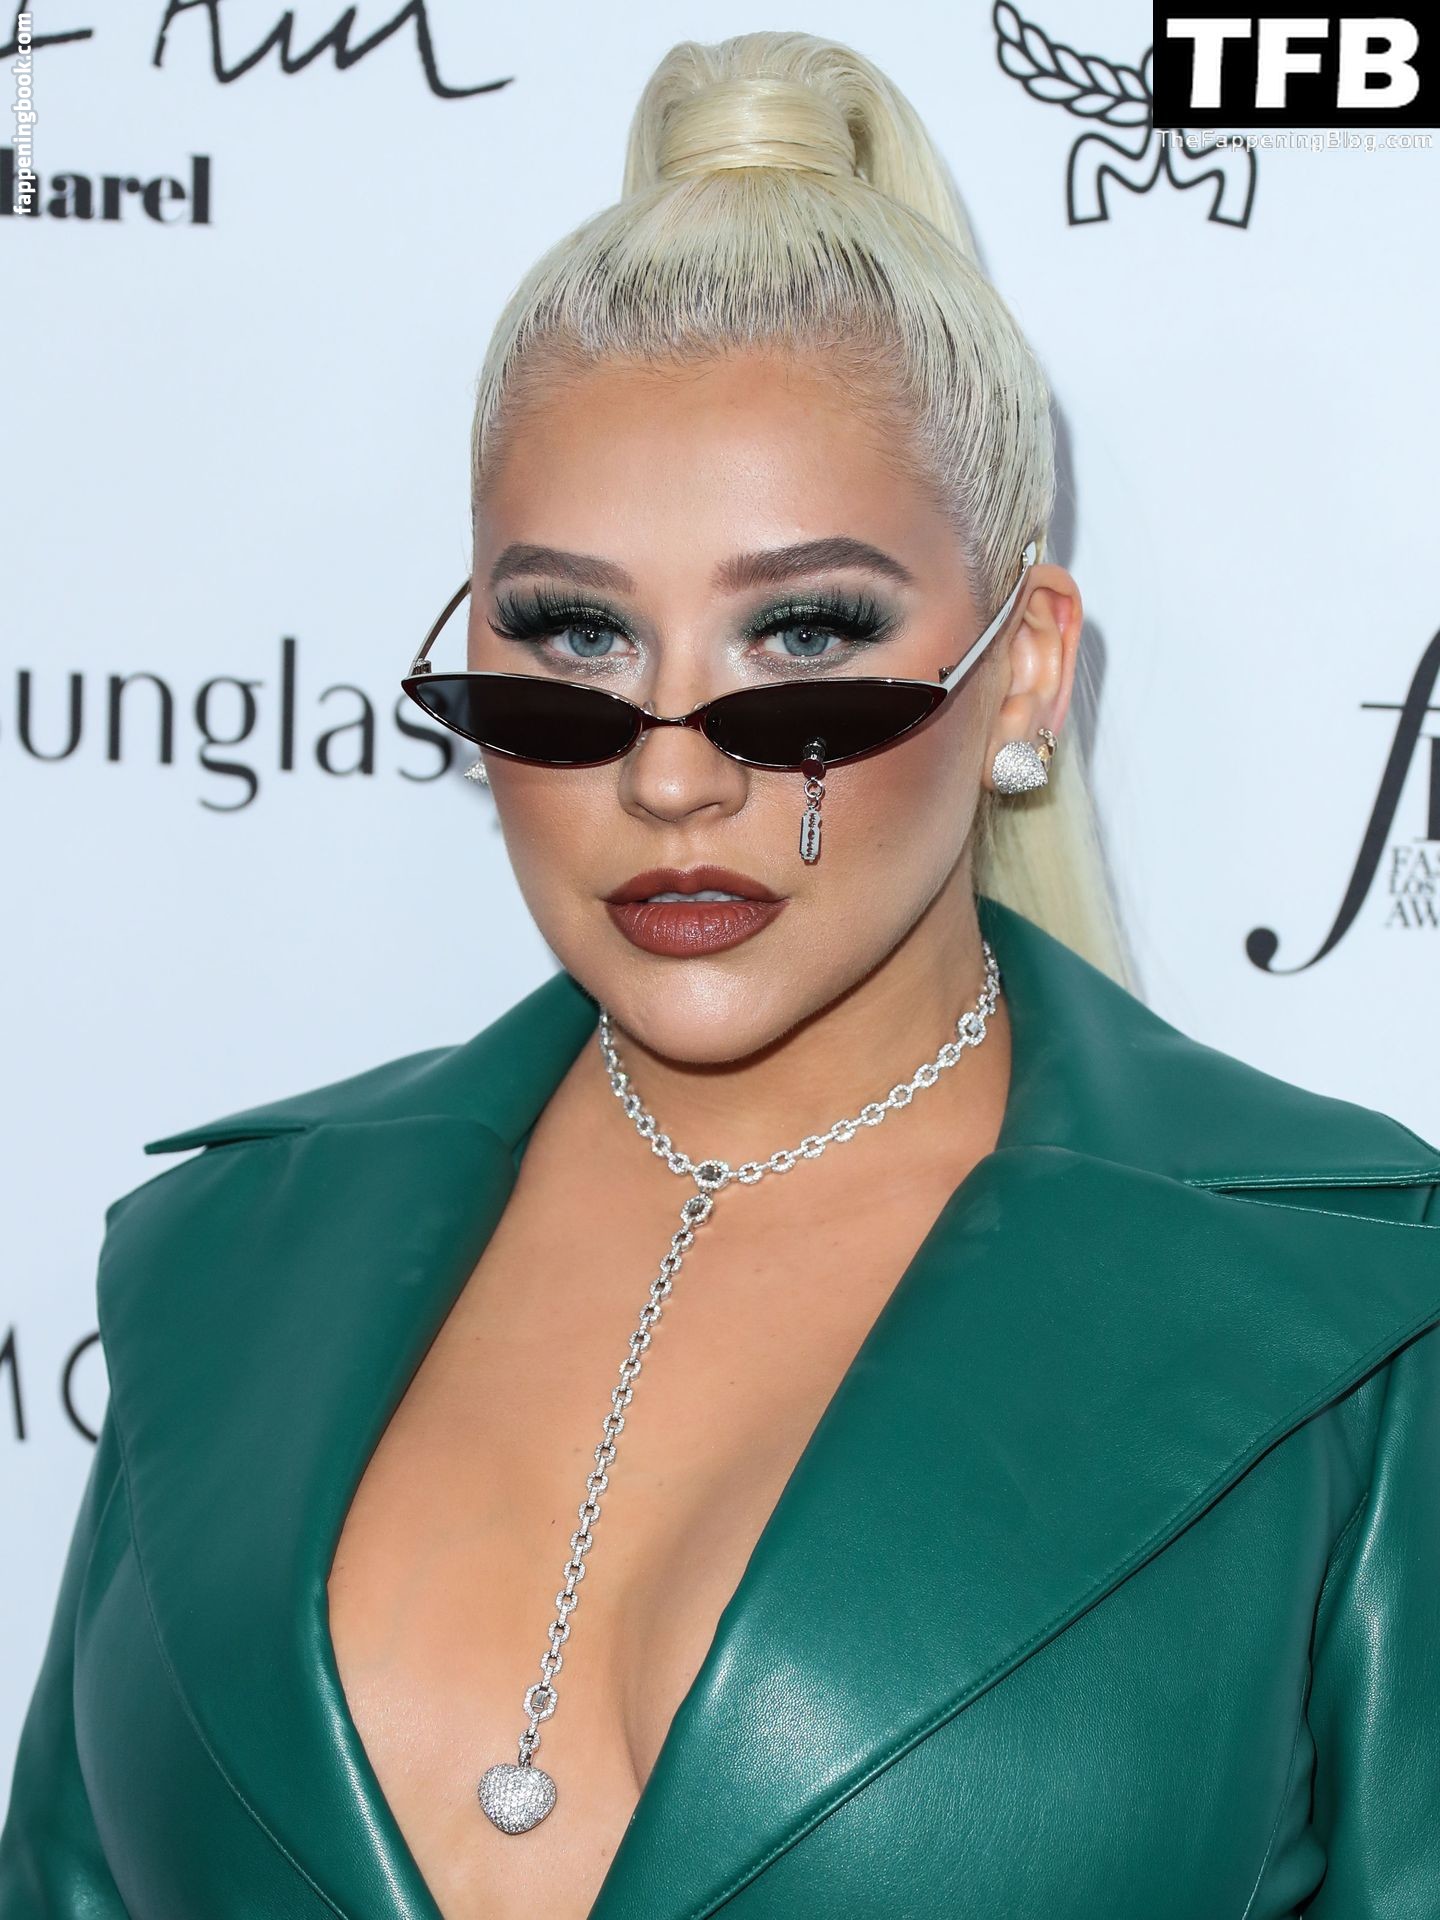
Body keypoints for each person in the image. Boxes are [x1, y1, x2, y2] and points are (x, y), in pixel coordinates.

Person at [4, 27, 1439, 1920]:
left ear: (1022, 669)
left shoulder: (1356, 1310)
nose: (672, 775)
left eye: (805, 638)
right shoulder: (219, 1265)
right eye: (574, 638)